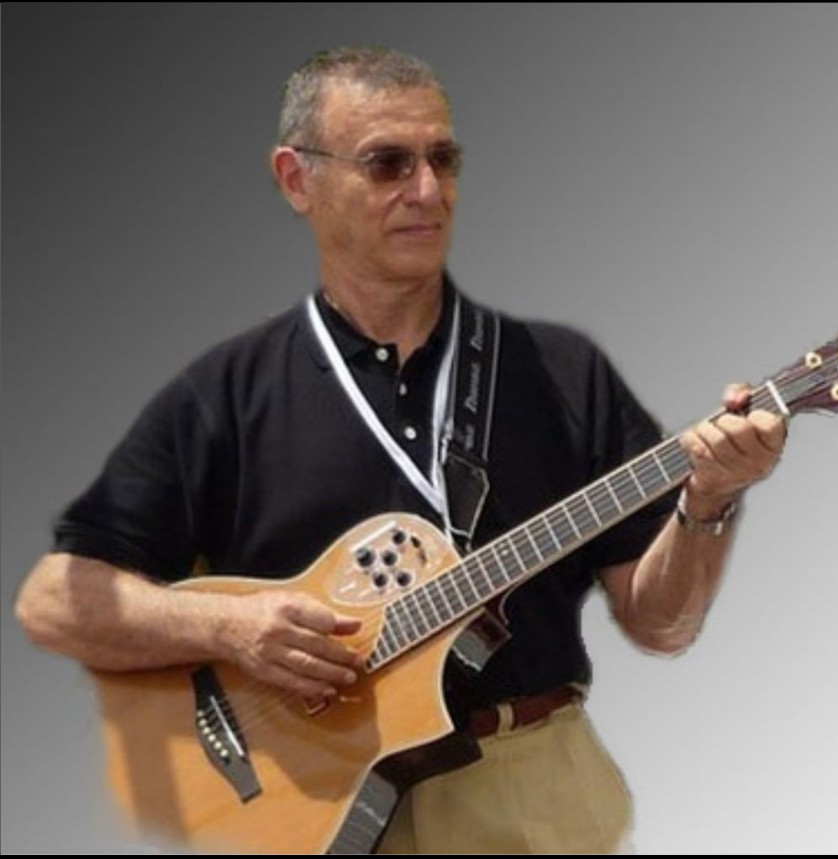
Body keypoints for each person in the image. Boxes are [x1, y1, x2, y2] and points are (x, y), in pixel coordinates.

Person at [15, 46, 785, 854]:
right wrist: (228, 626)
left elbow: (662, 625)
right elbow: (53, 598)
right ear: (297, 179)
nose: (427, 190)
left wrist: (709, 501)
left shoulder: (560, 369)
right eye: (388, 163)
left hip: (535, 791)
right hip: (314, 807)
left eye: (442, 160)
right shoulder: (228, 394)